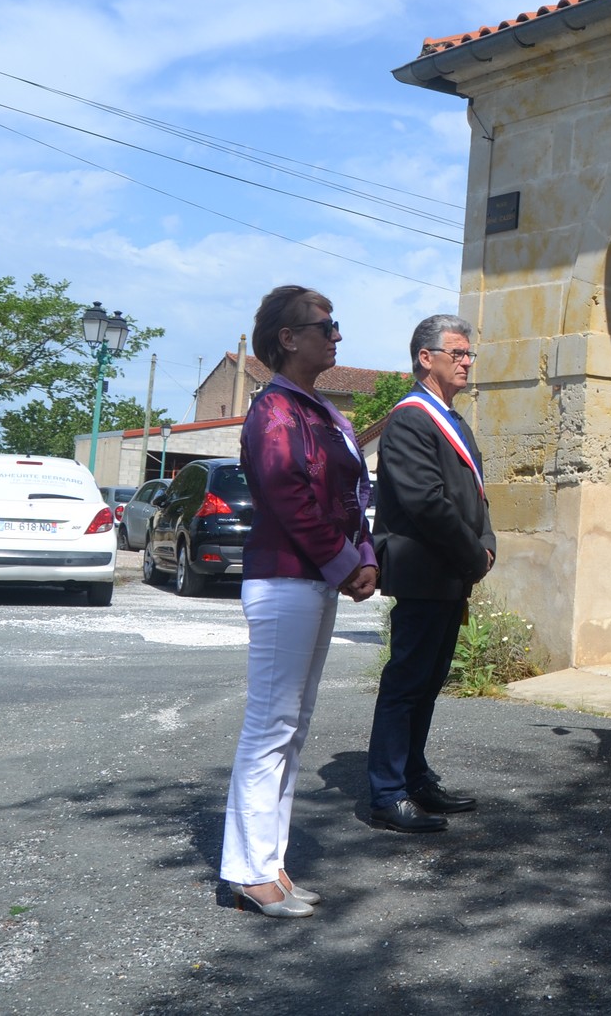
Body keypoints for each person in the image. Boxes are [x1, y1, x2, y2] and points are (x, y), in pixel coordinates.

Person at [220, 285, 378, 917]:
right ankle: (249, 870)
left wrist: (363, 556)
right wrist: (347, 563)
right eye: (325, 325)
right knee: (270, 726)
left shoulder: (316, 410)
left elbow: (349, 497)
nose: (336, 335)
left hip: (311, 577)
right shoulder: (275, 411)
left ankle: (271, 864)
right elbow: (289, 494)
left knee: (293, 726)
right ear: (288, 339)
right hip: (285, 578)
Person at [364, 313, 496, 833]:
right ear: (426, 357)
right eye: (457, 354)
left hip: (450, 571)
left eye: (469, 355)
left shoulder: (452, 417)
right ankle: (387, 792)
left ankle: (415, 779)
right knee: (406, 682)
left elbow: (472, 496)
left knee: (429, 682)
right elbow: (426, 502)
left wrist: (485, 542)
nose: (467, 363)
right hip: (423, 570)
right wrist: (472, 552)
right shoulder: (411, 418)